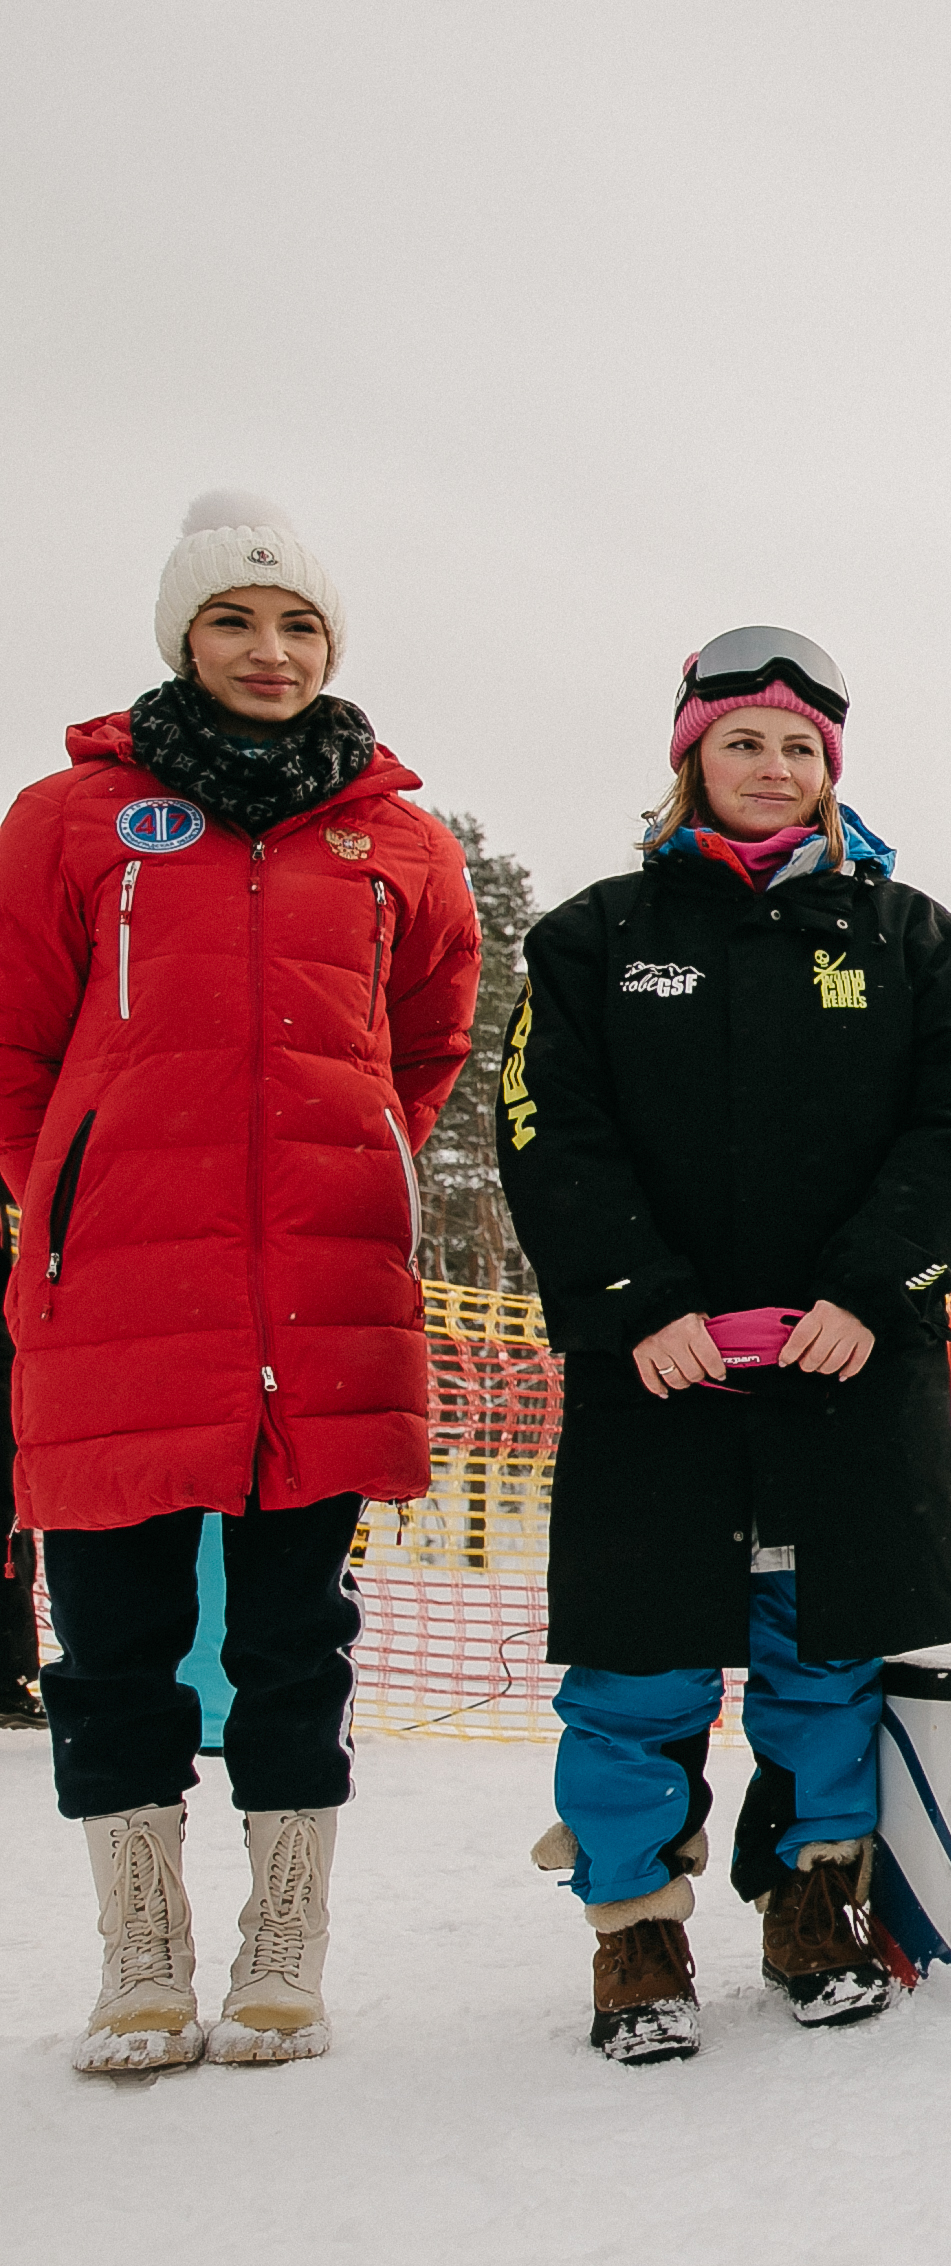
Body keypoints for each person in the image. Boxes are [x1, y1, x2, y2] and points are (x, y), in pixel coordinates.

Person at [0, 491, 480, 2070]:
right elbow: (15, 1050)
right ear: (181, 637)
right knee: (114, 1639)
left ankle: (286, 1939)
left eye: (297, 625)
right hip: (121, 1291)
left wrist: (361, 1166)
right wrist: (73, 1188)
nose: (267, 651)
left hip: (322, 1300)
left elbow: (419, 1047)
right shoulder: (71, 819)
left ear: (331, 645)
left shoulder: (400, 839)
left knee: (295, 1636)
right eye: (233, 621)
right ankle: (142, 1950)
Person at [499, 628, 951, 2064]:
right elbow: (549, 1131)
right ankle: (635, 1930)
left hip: (849, 1370)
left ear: (830, 771)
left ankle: (814, 1900)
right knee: (640, 1670)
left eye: (800, 746)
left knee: (829, 1657)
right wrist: (640, 1301)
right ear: (691, 757)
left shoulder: (911, 940)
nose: (773, 767)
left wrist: (873, 1290)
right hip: (655, 1376)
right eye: (744, 742)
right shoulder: (594, 936)